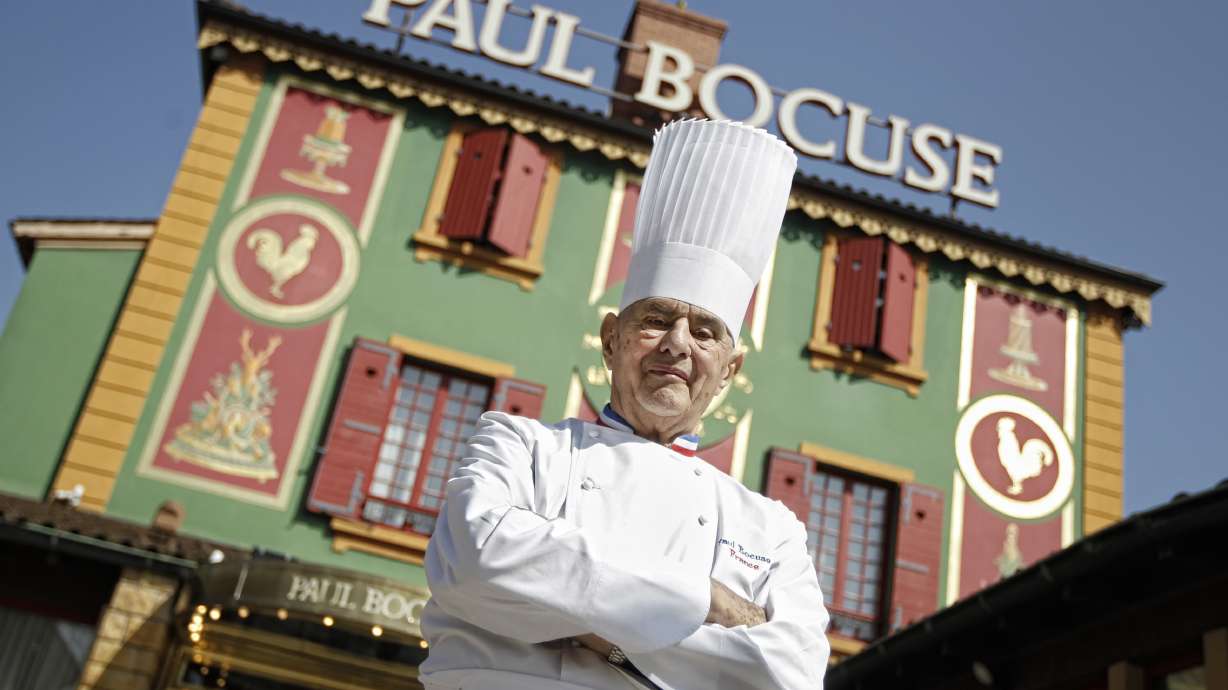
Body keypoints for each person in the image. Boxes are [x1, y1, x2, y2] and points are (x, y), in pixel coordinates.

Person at [419, 119, 830, 690]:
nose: (677, 344)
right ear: (611, 339)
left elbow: (792, 675)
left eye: (705, 332)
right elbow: (474, 559)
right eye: (656, 320)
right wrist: (706, 600)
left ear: (728, 371)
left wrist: (579, 616)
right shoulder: (521, 445)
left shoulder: (771, 527)